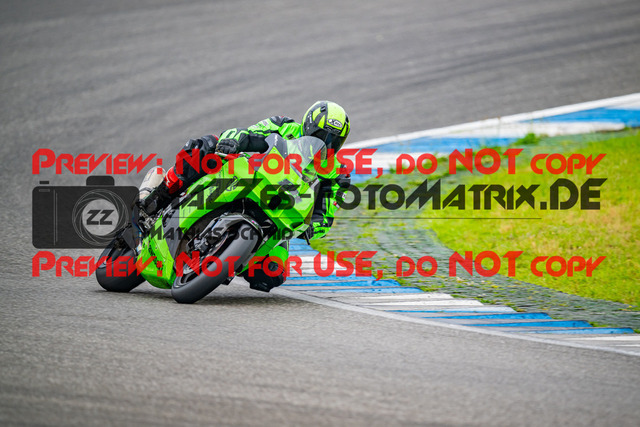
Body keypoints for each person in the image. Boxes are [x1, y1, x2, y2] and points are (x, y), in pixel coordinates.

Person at [139, 100, 351, 292]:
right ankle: (156, 198)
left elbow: (326, 213)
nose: (327, 144)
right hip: (251, 177)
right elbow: (250, 133)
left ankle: (222, 258)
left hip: (281, 211)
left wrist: (313, 227)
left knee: (272, 273)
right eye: (321, 136)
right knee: (204, 147)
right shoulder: (283, 125)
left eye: (335, 141)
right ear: (308, 126)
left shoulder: (337, 172)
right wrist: (234, 140)